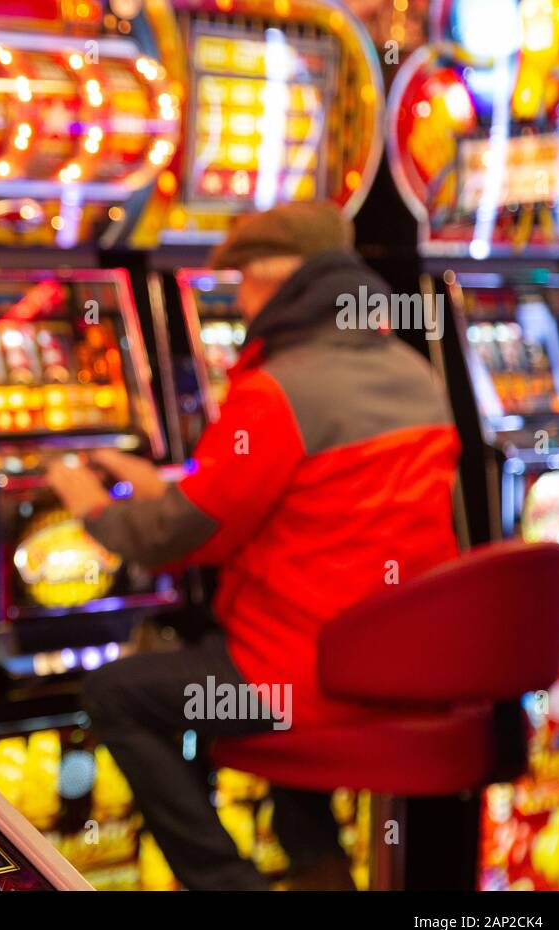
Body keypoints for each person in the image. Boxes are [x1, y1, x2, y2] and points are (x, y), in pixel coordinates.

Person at [45, 202, 461, 890]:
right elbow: (289, 507)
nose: (237, 298)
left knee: (114, 692)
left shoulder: (281, 387)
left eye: (240, 280)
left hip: (301, 679)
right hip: (398, 670)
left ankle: (225, 884)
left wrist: (85, 502)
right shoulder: (414, 371)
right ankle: (322, 876)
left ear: (276, 278)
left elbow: (178, 539)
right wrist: (162, 487)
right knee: (237, 674)